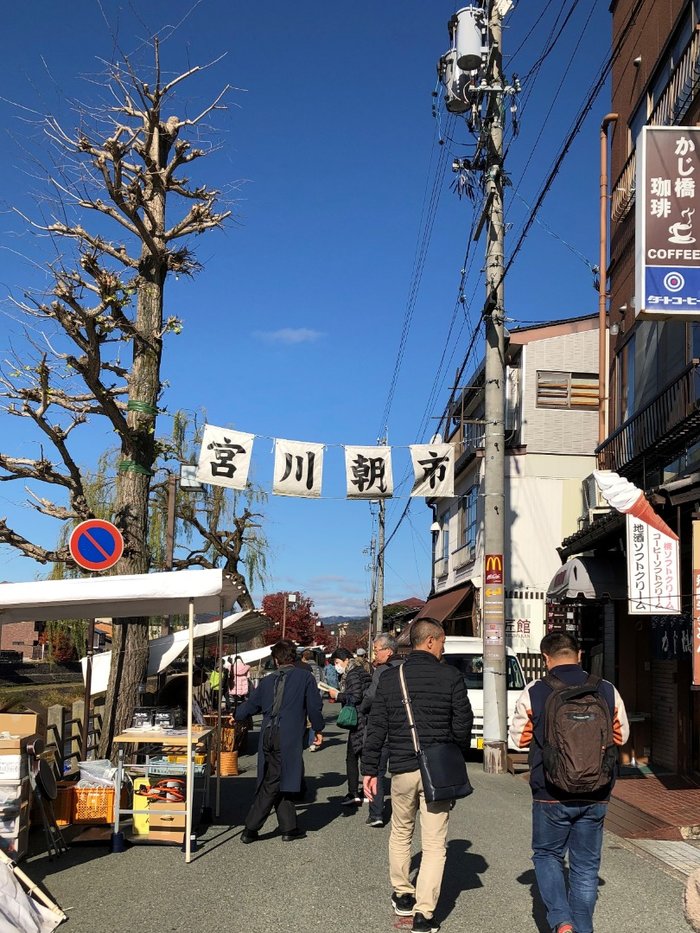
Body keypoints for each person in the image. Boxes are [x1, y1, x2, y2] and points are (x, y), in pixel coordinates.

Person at [509, 631, 630, 933]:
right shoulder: (606, 689)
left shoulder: (536, 690)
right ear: (579, 655)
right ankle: (583, 928)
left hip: (550, 792)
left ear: (545, 658)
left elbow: (518, 739)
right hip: (597, 791)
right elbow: (621, 736)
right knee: (586, 867)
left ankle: (562, 921)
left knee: (547, 855)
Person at [362, 619, 473, 933]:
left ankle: (402, 894)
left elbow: (377, 729)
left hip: (401, 768)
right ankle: (425, 914)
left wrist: (369, 770)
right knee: (435, 843)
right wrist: (453, 749)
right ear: (431, 641)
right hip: (436, 771)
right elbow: (463, 724)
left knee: (401, 832)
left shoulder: (390, 678)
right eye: (442, 642)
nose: (443, 648)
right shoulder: (451, 676)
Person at [235, 639, 324, 843]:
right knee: (273, 780)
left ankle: (289, 827)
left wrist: (236, 714)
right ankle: (251, 827)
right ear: (292, 657)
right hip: (288, 735)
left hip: (267, 733)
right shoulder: (305, 678)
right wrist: (318, 729)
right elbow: (314, 706)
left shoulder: (267, 681)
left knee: (277, 776)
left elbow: (251, 705)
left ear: (276, 660)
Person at [359, 633, 402, 827]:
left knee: (377, 770)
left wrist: (363, 707)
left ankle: (376, 813)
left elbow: (371, 697)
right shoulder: (407, 668)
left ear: (389, 651)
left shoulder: (382, 671)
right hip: (403, 729)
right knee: (403, 771)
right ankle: (405, 812)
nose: (375, 655)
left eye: (377, 651)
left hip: (382, 728)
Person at [328, 647, 372, 806]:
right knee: (365, 756)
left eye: (337, 662)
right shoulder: (362, 671)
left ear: (346, 660)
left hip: (358, 718)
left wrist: (337, 695)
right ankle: (368, 790)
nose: (336, 666)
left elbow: (355, 696)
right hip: (366, 717)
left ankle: (353, 792)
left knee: (352, 756)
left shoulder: (352, 674)